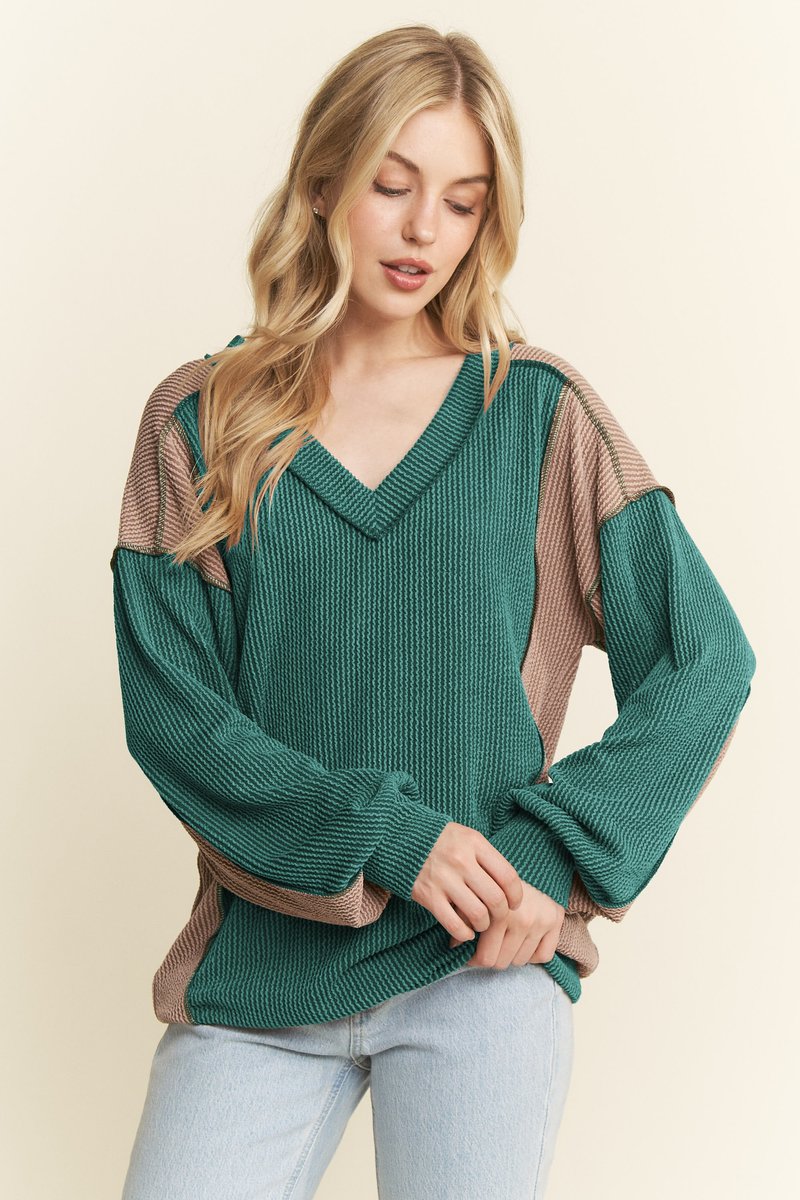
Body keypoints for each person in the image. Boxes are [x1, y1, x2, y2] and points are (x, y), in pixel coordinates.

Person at [111, 24, 756, 1200]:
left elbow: (704, 658)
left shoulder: (536, 412)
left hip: (481, 970)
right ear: (322, 183)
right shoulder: (196, 423)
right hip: (262, 976)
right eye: (391, 186)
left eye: (461, 202)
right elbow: (177, 720)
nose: (422, 232)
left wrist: (552, 854)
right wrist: (388, 837)